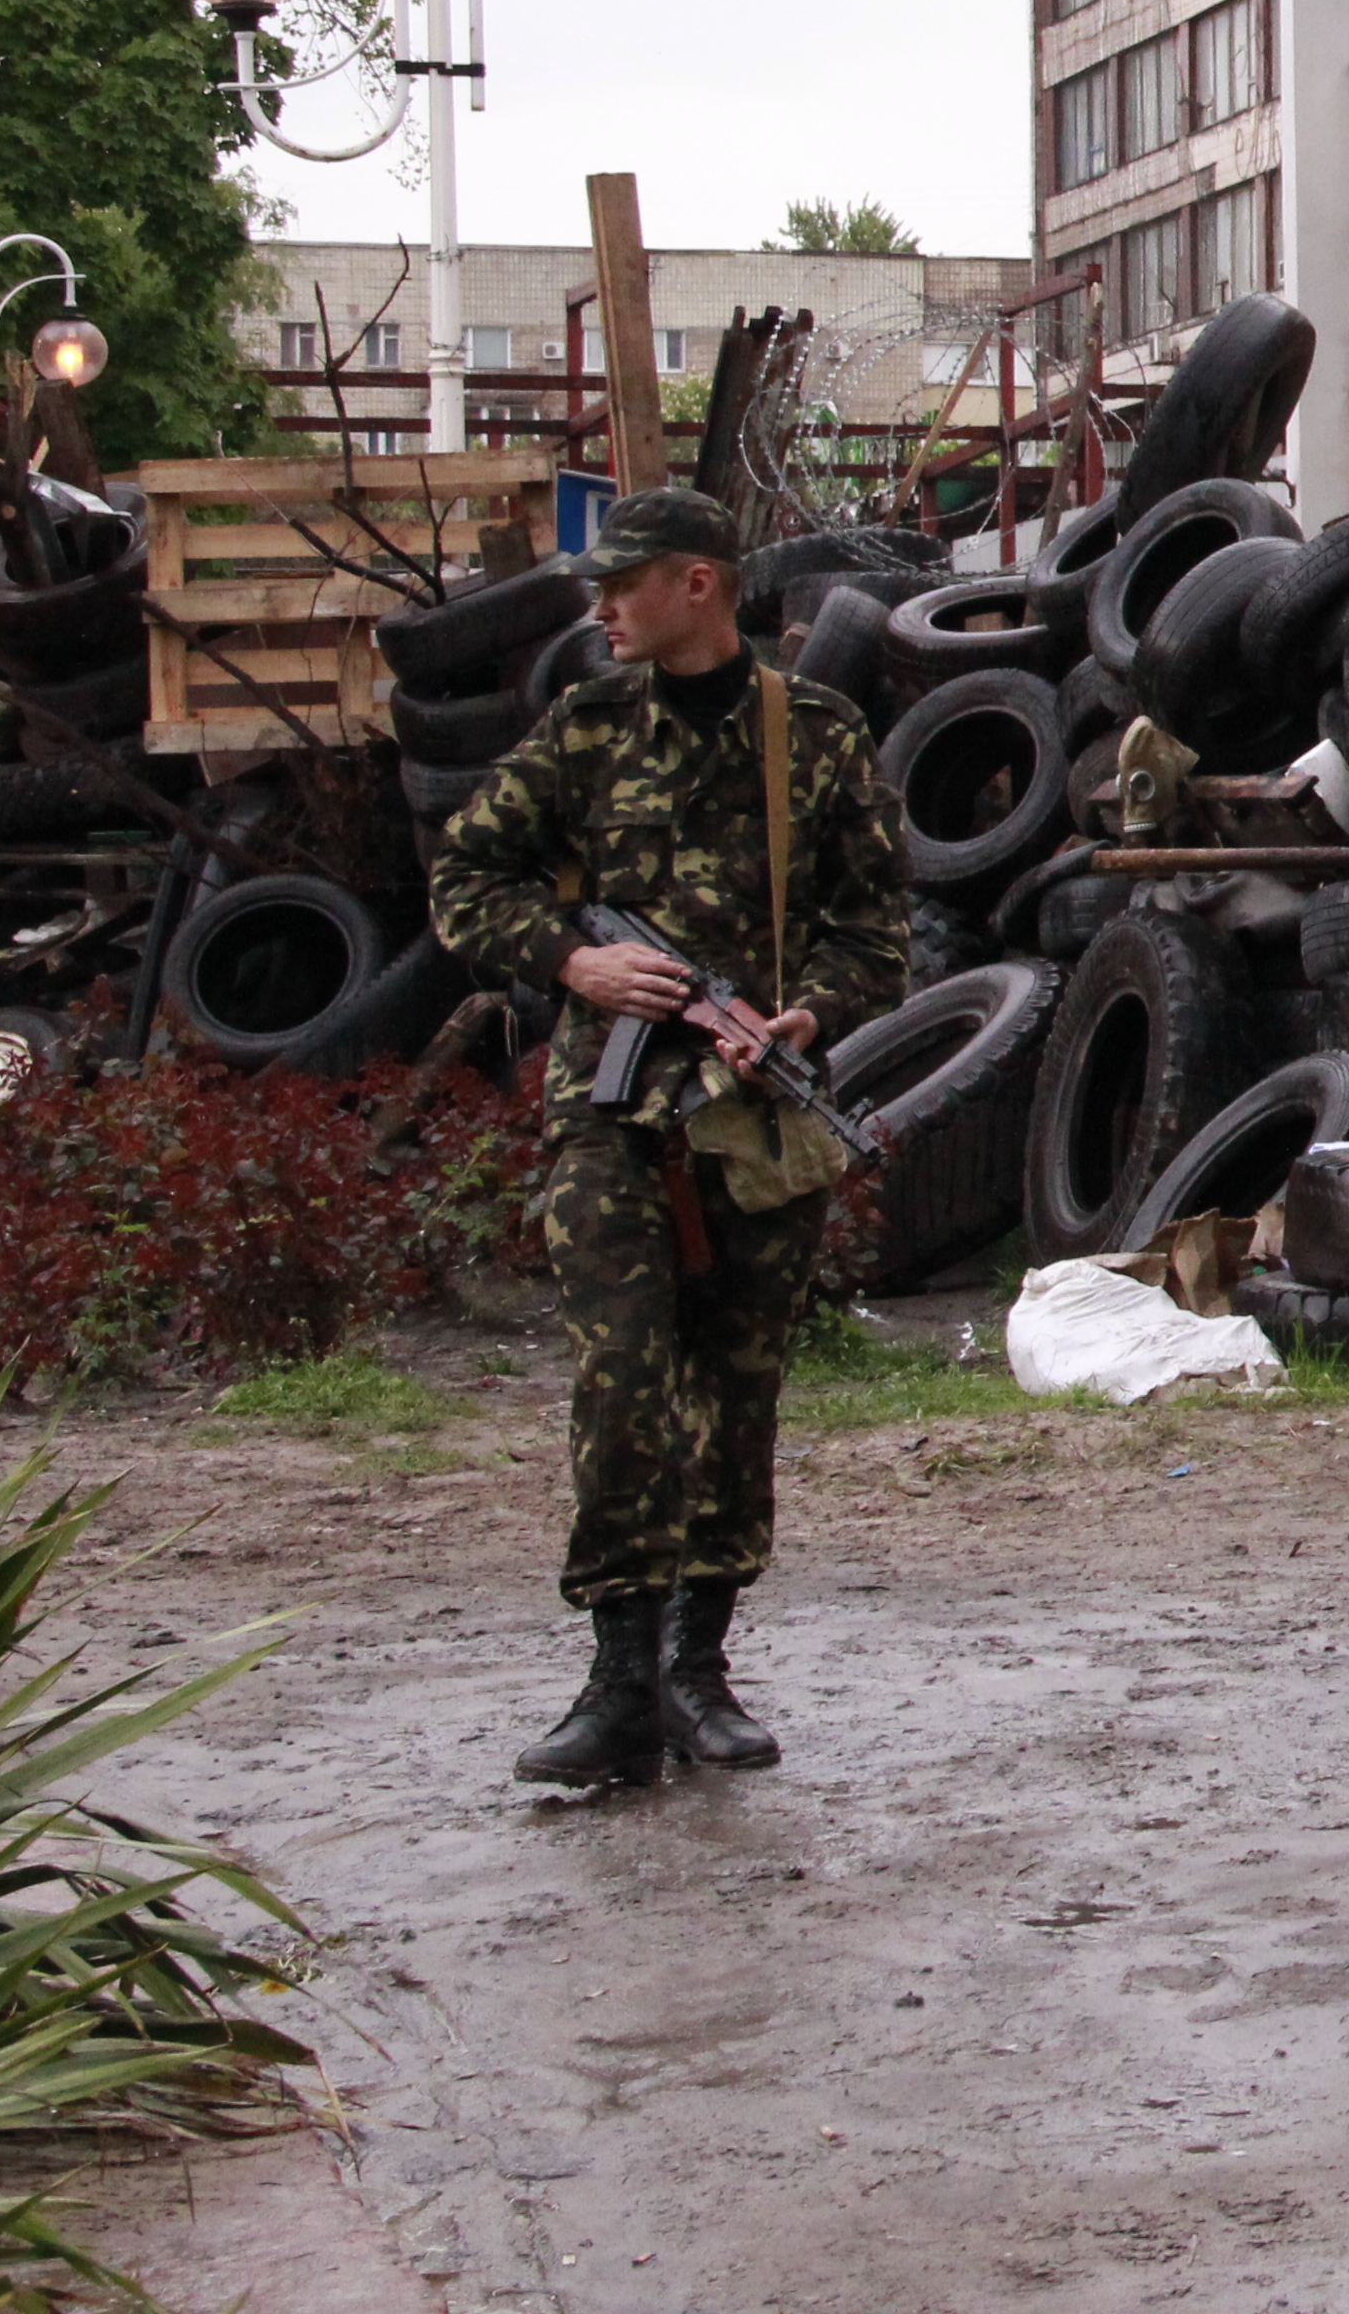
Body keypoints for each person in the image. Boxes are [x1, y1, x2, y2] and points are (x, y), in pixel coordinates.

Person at [430, 486, 910, 1789]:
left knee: (735, 1394)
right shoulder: (585, 730)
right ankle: (620, 1676)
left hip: (749, 1124)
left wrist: (805, 1015)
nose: (604, 608)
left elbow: (879, 929)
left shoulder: (810, 735)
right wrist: (573, 967)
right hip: (610, 1115)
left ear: (700, 583)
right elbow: (464, 879)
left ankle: (702, 1667)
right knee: (624, 1378)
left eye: (626, 583)